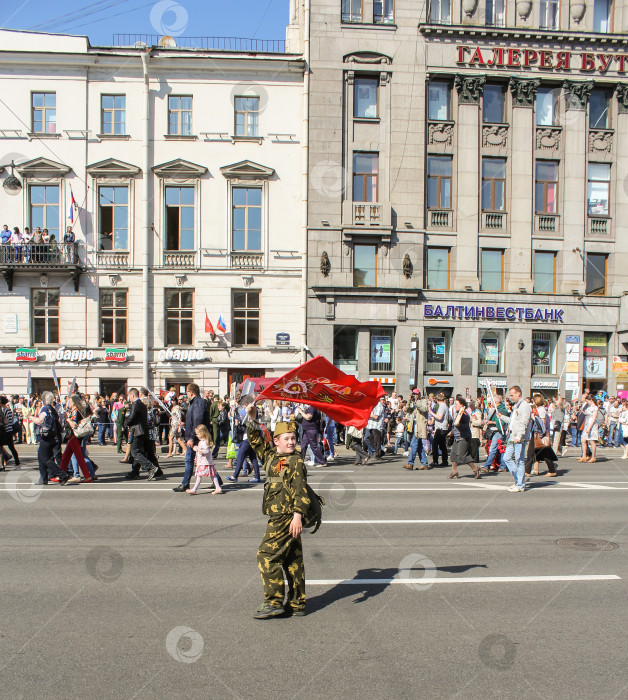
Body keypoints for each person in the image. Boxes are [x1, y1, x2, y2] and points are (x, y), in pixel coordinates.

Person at [245, 405, 310, 619]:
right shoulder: (271, 456)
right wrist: (252, 417)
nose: (291, 442)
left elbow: (301, 491)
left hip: (285, 516)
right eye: (286, 438)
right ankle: (297, 602)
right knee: (292, 558)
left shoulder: (296, 461)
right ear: (276, 441)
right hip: (279, 514)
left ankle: (273, 601)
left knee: (266, 556)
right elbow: (255, 440)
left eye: (293, 438)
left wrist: (298, 515)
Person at [173, 383, 212, 492]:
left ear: (191, 392)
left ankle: (185, 484)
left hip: (196, 437)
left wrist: (191, 437)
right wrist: (185, 424)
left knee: (189, 460)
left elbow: (198, 421)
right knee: (206, 460)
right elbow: (194, 420)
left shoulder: (198, 403)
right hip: (196, 436)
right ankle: (217, 480)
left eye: (187, 392)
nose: (186, 394)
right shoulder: (196, 403)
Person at [31, 391, 67, 485]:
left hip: (46, 437)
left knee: (45, 459)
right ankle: (43, 478)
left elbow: (39, 421)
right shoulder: (53, 409)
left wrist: (30, 417)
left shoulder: (45, 409)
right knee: (41, 457)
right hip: (53, 436)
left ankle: (63, 474)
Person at [502, 385, 532, 493]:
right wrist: (501, 417)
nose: (511, 397)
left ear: (518, 393)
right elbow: (512, 421)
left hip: (519, 437)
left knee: (519, 460)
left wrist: (519, 436)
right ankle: (518, 480)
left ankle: (520, 484)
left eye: (512, 395)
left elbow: (524, 422)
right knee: (506, 458)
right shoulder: (516, 406)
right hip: (512, 435)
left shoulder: (524, 406)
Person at [124, 388, 158, 480]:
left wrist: (125, 423)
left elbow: (132, 417)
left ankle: (151, 467)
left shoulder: (135, 404)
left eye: (129, 396)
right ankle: (135, 472)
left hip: (136, 431)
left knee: (135, 452)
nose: (129, 398)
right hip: (143, 431)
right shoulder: (142, 404)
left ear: (132, 395)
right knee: (139, 451)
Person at [447, 396, 480, 479]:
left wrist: (459, 425)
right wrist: (452, 432)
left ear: (462, 405)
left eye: (456, 404)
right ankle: (454, 471)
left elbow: (466, 425)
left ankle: (475, 469)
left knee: (463, 455)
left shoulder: (464, 414)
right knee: (453, 455)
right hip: (457, 437)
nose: (455, 406)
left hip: (464, 437)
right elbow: (456, 425)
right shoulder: (459, 413)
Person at [186, 424, 222, 495]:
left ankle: (194, 489)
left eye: (198, 434)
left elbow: (206, 451)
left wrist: (199, 450)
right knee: (212, 475)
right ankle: (217, 487)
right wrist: (195, 448)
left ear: (202, 433)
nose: (196, 435)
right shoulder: (203, 441)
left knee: (199, 476)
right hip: (205, 462)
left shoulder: (204, 442)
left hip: (203, 462)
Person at [403, 391, 429, 470]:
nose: (415, 395)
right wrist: (409, 401)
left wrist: (417, 402)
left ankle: (410, 463)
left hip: (420, 424)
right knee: (419, 446)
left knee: (414, 443)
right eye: (414, 394)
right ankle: (424, 463)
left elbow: (424, 409)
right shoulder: (413, 402)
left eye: (416, 394)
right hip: (413, 424)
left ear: (419, 395)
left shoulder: (423, 401)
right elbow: (407, 410)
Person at [428, 393, 449, 467]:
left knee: (435, 444)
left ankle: (435, 461)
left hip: (441, 428)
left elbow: (440, 417)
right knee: (442, 445)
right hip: (443, 427)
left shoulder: (442, 406)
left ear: (437, 400)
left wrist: (432, 413)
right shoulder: (445, 406)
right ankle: (445, 461)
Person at [0, 396, 21, 469]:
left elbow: (5, 421)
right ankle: (16, 463)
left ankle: (14, 463)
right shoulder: (8, 409)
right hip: (9, 430)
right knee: (11, 447)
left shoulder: (4, 410)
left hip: (6, 430)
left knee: (6, 447)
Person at [579, 392, 599, 463]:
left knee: (591, 441)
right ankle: (584, 456)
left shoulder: (595, 407)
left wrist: (589, 427)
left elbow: (594, 418)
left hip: (592, 425)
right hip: (587, 424)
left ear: (591, 400)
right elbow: (586, 414)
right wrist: (583, 411)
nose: (587, 402)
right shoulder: (589, 407)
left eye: (588, 401)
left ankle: (593, 457)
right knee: (583, 440)